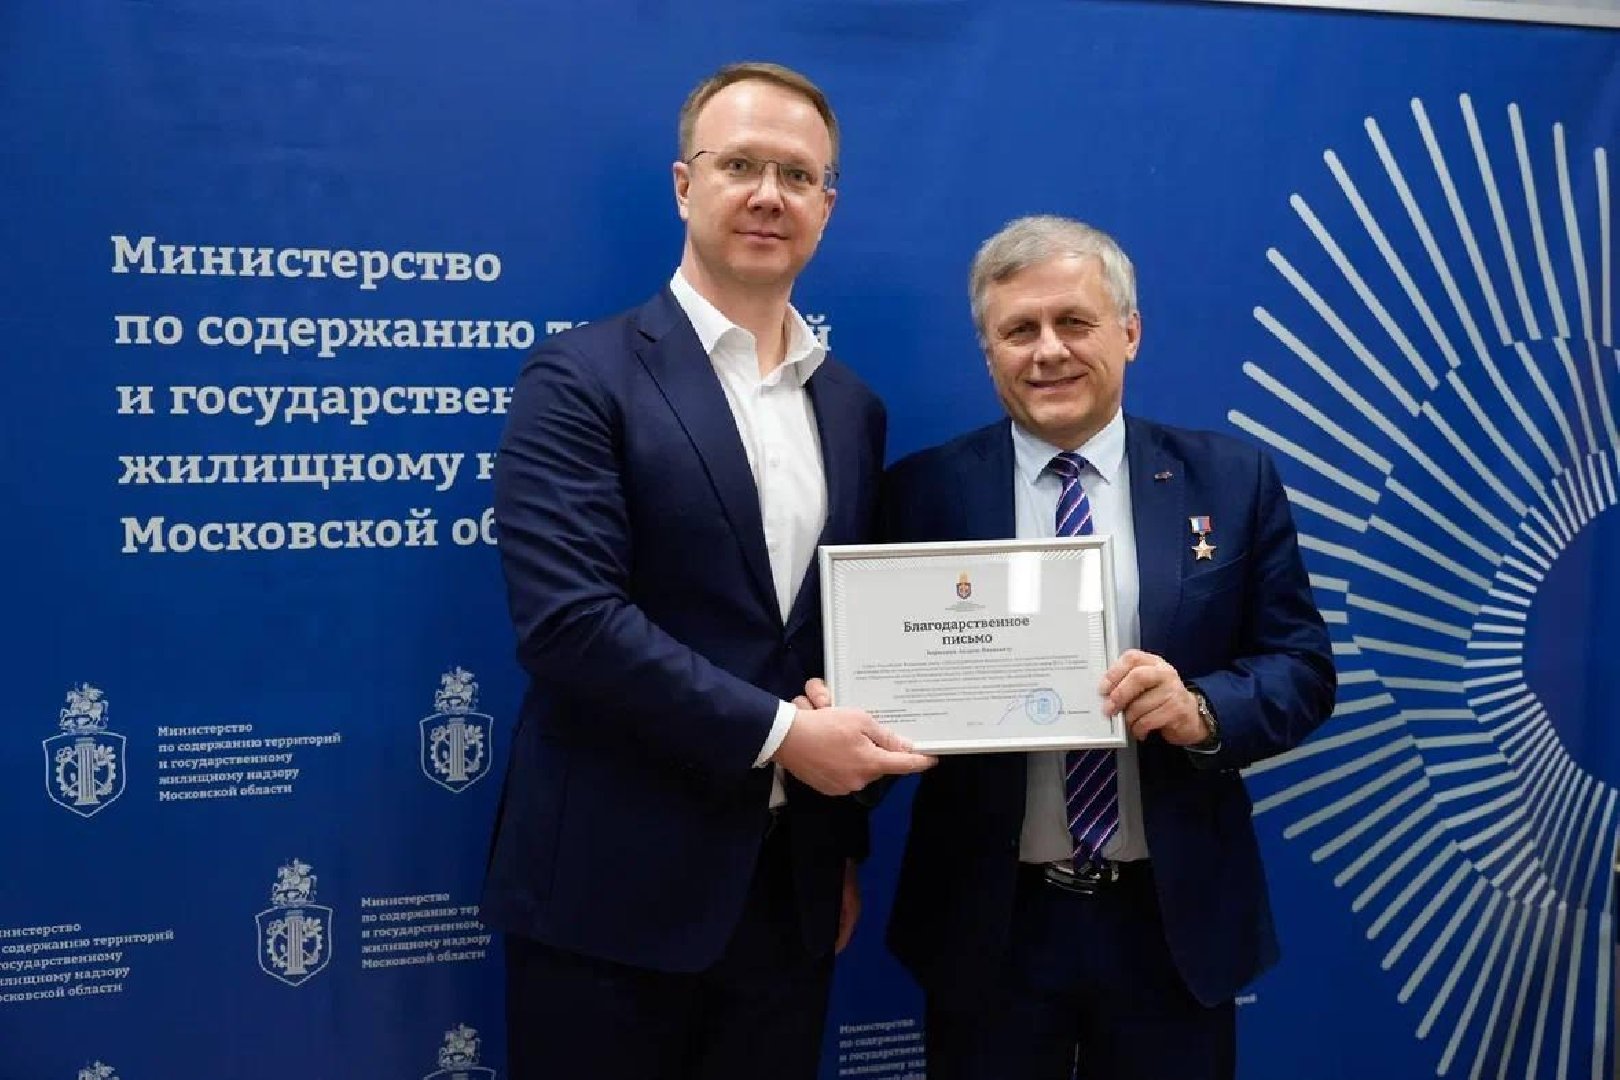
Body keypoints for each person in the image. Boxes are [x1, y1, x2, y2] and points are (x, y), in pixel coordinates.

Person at [480, 61, 934, 1080]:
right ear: (685, 186)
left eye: (798, 174)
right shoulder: (579, 376)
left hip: (787, 899)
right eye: (741, 166)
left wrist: (838, 844)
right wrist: (787, 740)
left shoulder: (851, 407)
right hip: (608, 896)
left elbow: (830, 641)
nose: (770, 194)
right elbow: (568, 624)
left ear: (827, 206)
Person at [881, 215, 1336, 1080]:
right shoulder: (920, 494)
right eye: (1019, 330)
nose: (1048, 351)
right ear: (989, 352)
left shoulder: (1229, 480)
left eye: (1074, 322)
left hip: (1170, 922)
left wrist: (1203, 711)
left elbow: (1304, 669)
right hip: (990, 923)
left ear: (1129, 332)